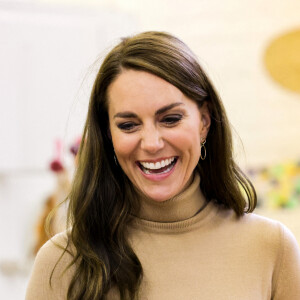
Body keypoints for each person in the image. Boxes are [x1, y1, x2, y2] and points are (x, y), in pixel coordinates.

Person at [26, 31, 300, 300]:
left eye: (170, 119)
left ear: (204, 121)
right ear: (109, 135)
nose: (152, 143)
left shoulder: (272, 247)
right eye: (128, 125)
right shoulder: (60, 262)